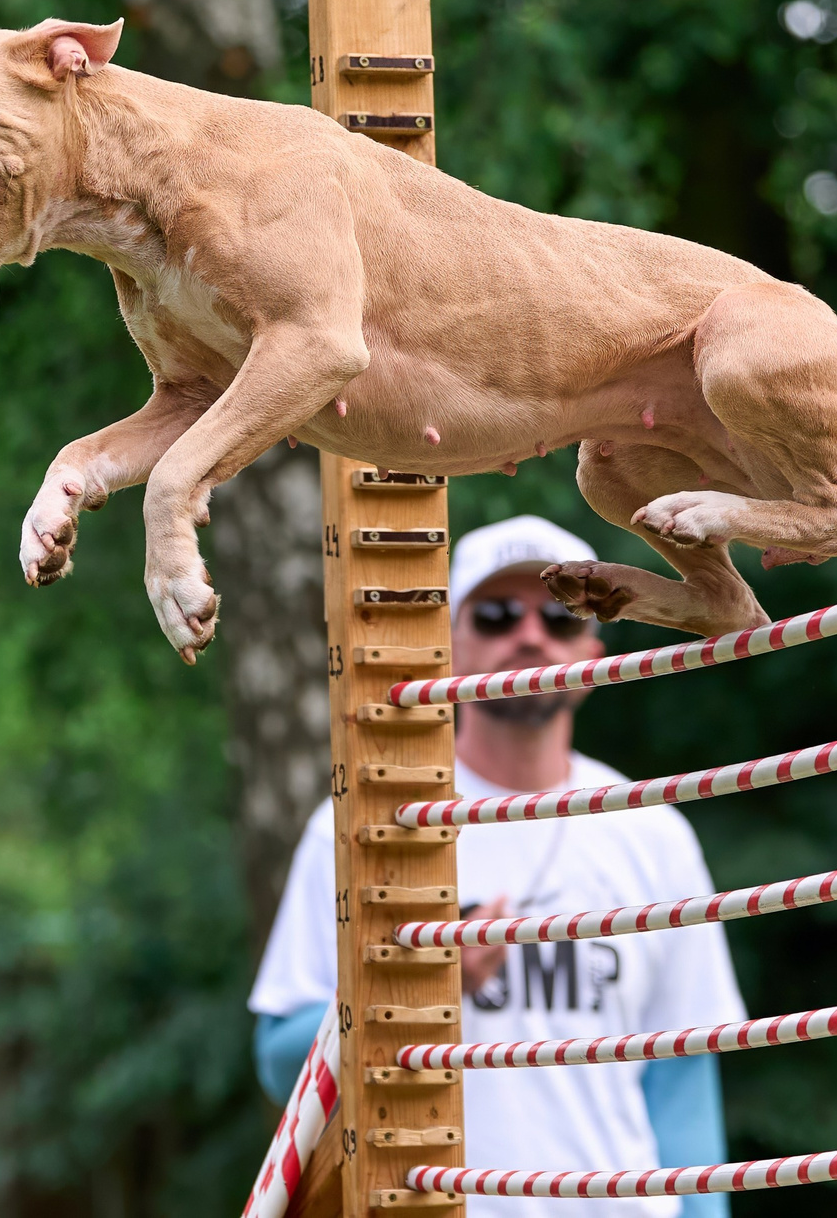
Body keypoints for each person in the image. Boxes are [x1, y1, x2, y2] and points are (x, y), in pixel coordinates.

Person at [249, 517, 746, 1218]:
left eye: (563, 615)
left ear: (596, 651)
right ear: (445, 647)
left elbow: (684, 1083)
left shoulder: (655, 830)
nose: (532, 633)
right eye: (496, 613)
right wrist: (422, 987)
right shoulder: (362, 821)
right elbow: (279, 1059)